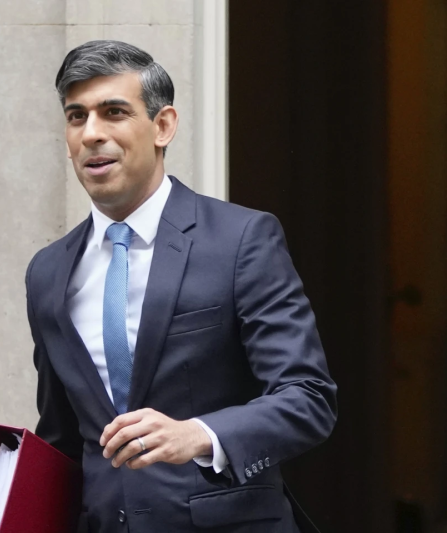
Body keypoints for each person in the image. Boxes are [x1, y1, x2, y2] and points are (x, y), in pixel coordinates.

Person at [24, 40, 337, 533]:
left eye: (114, 112)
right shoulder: (47, 272)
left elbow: (308, 398)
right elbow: (61, 441)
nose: (92, 133)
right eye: (76, 116)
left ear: (163, 126)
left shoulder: (241, 239)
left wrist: (199, 434)